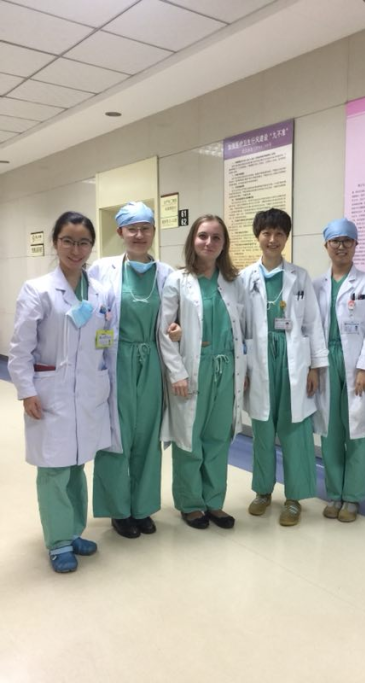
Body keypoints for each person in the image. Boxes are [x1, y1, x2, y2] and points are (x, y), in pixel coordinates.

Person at [8, 212, 113, 573]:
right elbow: (20, 350)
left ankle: (73, 531)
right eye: (67, 240)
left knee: (77, 465)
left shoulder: (99, 291)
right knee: (54, 469)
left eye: (83, 242)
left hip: (87, 393)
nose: (75, 249)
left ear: (91, 246)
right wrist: (27, 391)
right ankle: (58, 542)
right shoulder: (37, 290)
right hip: (50, 393)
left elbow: (105, 341)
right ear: (55, 242)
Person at [89, 201, 172, 539]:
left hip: (151, 359)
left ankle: (143, 506)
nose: (139, 235)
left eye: (145, 228)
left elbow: (177, 316)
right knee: (116, 435)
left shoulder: (167, 274)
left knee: (147, 435)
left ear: (153, 231)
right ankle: (118, 510)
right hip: (116, 359)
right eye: (132, 229)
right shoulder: (101, 269)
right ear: (120, 231)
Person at [241, 208, 328, 526]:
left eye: (279, 233)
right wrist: (242, 369)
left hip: (294, 360)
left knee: (295, 431)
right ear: (258, 236)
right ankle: (263, 491)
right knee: (263, 429)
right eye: (267, 233)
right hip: (259, 360)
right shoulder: (244, 279)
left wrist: (315, 366)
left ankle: (294, 498)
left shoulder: (299, 276)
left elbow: (312, 323)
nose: (273, 239)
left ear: (286, 238)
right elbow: (240, 326)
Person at [159, 215, 246, 530]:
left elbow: (243, 329)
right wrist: (177, 373)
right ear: (193, 240)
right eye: (203, 236)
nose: (209, 243)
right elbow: (164, 331)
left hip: (227, 369)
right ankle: (191, 503)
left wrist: (245, 369)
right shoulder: (177, 280)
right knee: (189, 437)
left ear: (224, 244)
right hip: (193, 369)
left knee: (218, 437)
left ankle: (214, 502)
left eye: (216, 237)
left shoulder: (233, 282)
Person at [313, 218, 365, 523]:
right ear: (326, 245)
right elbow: (310, 327)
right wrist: (313, 365)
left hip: (356, 362)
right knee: (330, 431)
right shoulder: (316, 285)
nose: (341, 246)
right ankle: (334, 494)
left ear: (355, 245)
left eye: (347, 241)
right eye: (335, 241)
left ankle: (352, 497)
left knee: (357, 429)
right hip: (326, 361)